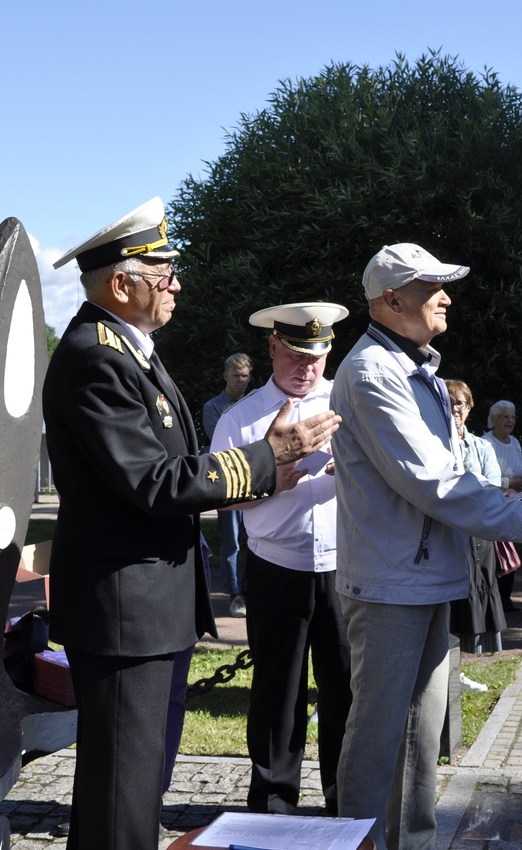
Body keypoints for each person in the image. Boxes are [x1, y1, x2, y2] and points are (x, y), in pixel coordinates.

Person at [41, 197, 339, 850]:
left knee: (131, 790)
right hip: (127, 612)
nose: (176, 284)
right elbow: (154, 482)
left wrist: (266, 465)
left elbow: (170, 469)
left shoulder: (127, 352)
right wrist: (273, 454)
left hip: (146, 607)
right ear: (122, 283)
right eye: (164, 273)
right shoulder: (98, 357)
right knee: (123, 796)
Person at [332, 242, 522, 850]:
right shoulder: (370, 373)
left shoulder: (417, 370)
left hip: (419, 575)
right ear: (391, 300)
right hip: (389, 582)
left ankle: (410, 842)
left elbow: (448, 479)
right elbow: (435, 484)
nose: (446, 296)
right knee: (379, 735)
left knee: (421, 733)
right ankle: (357, 843)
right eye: (430, 287)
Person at [211, 302, 353, 815]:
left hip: (344, 565)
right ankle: (273, 803)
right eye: (295, 355)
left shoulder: (350, 401)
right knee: (277, 693)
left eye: (316, 355)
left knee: (346, 688)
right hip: (276, 565)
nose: (306, 367)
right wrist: (271, 481)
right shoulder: (242, 418)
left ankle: (346, 798)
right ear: (273, 347)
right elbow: (220, 498)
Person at [445, 380, 507, 664]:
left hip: (476, 534)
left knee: (474, 592)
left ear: (469, 407)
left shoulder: (482, 446)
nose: (454, 408)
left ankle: (463, 666)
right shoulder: (431, 442)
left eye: (460, 403)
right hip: (444, 532)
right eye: (448, 402)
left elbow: (493, 486)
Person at [202, 353, 254, 618]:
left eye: (245, 376)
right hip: (230, 482)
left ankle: (250, 590)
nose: (241, 381)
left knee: (256, 537)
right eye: (236, 376)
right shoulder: (213, 407)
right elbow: (222, 443)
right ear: (225, 376)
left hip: (255, 479)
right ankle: (235, 595)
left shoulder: (256, 404)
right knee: (231, 540)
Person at [483, 400, 522, 612]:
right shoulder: (485, 443)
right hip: (495, 502)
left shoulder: (516, 442)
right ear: (494, 419)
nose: (510, 420)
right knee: (495, 551)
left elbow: (520, 470)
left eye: (513, 416)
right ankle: (493, 598)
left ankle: (506, 599)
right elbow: (483, 477)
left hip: (516, 502)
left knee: (512, 550)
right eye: (505, 416)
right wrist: (511, 484)